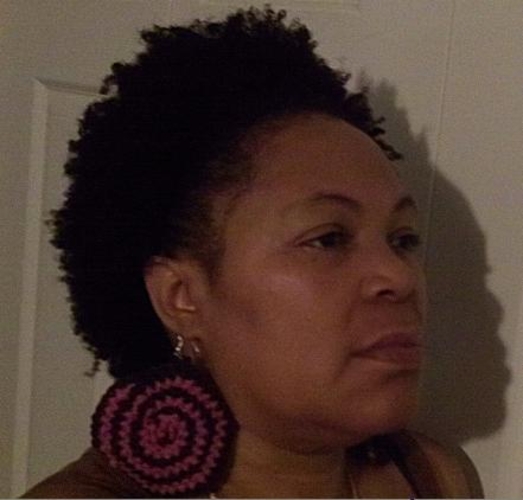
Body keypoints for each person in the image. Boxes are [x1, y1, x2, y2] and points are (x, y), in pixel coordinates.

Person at [23, 6, 482, 498]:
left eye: (403, 239)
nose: (399, 277)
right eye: (328, 239)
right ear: (181, 298)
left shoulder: (435, 476)